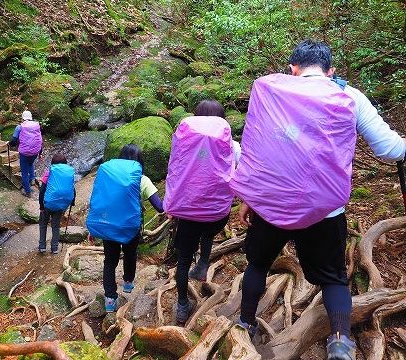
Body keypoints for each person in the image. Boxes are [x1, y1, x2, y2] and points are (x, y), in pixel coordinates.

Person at [232, 40, 406, 360]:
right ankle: (340, 340)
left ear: (293, 70)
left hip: (271, 204)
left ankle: (245, 323)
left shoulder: (273, 94)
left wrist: (249, 196)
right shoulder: (349, 96)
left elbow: (259, 149)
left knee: (257, 263)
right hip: (324, 210)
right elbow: (390, 150)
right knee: (333, 278)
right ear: (331, 71)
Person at [165, 100, 241, 324]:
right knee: (207, 234)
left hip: (187, 212)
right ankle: (203, 264)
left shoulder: (184, 143)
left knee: (183, 258)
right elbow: (240, 172)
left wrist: (170, 204)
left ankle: (181, 305)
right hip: (217, 213)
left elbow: (174, 171)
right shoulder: (232, 146)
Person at [88, 144, 164, 313]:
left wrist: (93, 228)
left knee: (110, 261)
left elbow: (98, 201)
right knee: (130, 255)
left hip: (108, 226)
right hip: (131, 228)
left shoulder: (108, 176)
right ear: (140, 161)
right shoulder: (142, 179)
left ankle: (109, 299)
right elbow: (159, 207)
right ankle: (128, 283)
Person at [38, 153, 76, 254]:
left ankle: (42, 246)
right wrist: (72, 202)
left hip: (48, 203)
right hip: (61, 204)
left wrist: (41, 206)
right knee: (56, 226)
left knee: (43, 224)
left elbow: (42, 191)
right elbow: (72, 189)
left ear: (53, 163)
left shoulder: (49, 173)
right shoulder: (68, 173)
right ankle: (54, 248)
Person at [10, 111, 43, 197]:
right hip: (35, 151)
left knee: (24, 172)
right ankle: (32, 179)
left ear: (23, 118)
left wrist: (9, 144)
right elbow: (39, 139)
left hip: (25, 153)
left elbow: (13, 141)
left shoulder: (19, 127)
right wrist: (40, 152)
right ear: (31, 117)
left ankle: (27, 191)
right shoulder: (37, 125)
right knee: (31, 163)